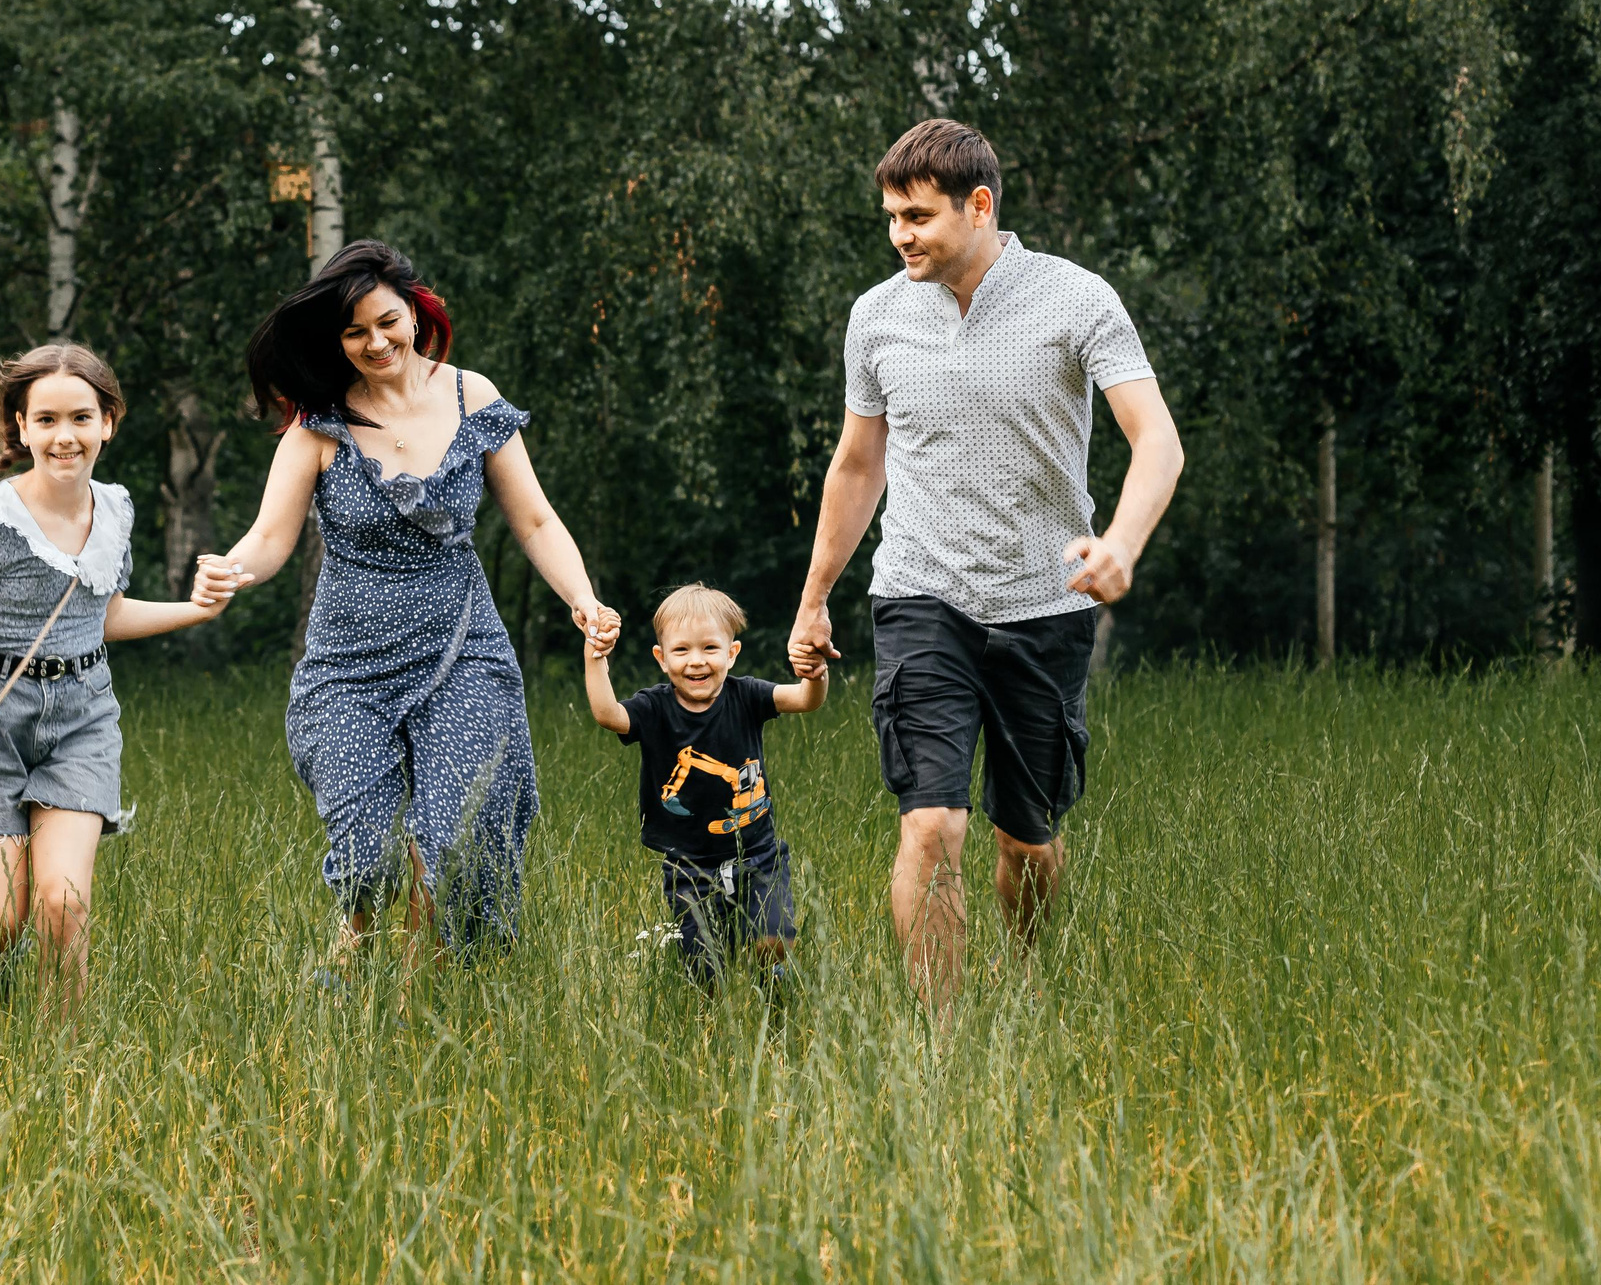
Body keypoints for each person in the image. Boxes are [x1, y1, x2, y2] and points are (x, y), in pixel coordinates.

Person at [788, 120, 1184, 1012]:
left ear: (979, 205)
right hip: (922, 593)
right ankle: (944, 1046)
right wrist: (815, 598)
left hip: (1044, 604)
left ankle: (1031, 990)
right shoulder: (878, 315)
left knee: (1027, 843)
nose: (900, 234)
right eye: (890, 215)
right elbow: (858, 465)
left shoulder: (1076, 300)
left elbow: (1157, 439)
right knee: (931, 823)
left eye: (917, 215)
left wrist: (1119, 543)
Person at [190, 240, 608, 964]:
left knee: (457, 835)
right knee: (368, 859)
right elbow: (267, 537)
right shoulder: (318, 424)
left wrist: (582, 596)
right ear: (336, 340)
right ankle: (354, 970)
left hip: (462, 646)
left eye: (387, 321)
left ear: (415, 311)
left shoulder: (470, 395)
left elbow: (535, 520)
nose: (376, 342)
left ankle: (423, 1004)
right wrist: (228, 571)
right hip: (350, 665)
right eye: (355, 332)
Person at [0, 345, 228, 1009]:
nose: (66, 435)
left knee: (62, 904)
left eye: (82, 417)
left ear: (109, 421)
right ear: (21, 427)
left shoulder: (116, 509)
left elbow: (104, 613)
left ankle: (67, 1060)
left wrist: (194, 610)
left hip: (83, 715)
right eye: (49, 419)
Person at [584, 584, 827, 988]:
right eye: (681, 651)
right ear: (661, 659)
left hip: (758, 854)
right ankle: (714, 1024)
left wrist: (815, 674)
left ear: (731, 653)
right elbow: (608, 714)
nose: (696, 662)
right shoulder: (654, 707)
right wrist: (597, 658)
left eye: (710, 649)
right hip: (688, 865)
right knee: (705, 971)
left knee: (772, 939)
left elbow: (806, 700)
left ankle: (776, 992)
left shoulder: (746, 695)